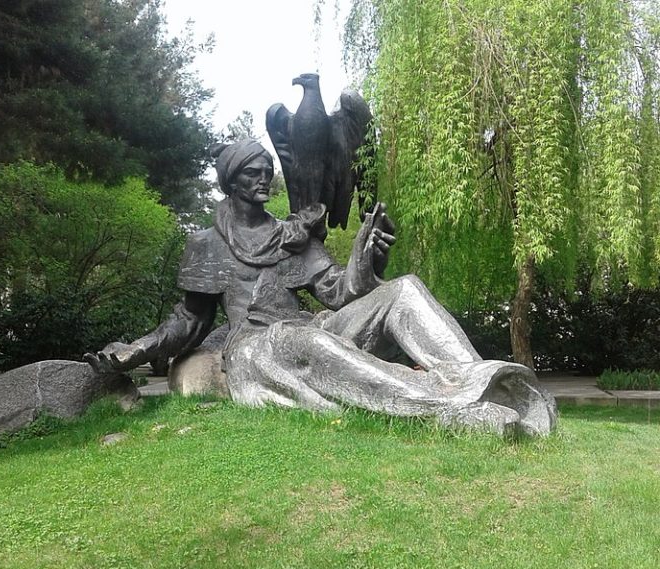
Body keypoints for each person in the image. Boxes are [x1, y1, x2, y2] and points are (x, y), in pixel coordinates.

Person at [85, 139, 555, 435]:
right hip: (252, 349)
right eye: (253, 171)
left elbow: (338, 292)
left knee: (404, 289)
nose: (265, 177)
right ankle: (449, 409)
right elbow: (190, 321)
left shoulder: (293, 236)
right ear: (231, 181)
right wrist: (140, 349)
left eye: (267, 169)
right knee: (304, 336)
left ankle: (491, 385)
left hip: (314, 327)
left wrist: (370, 257)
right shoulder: (205, 245)